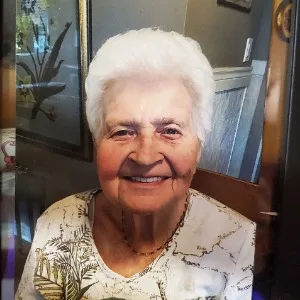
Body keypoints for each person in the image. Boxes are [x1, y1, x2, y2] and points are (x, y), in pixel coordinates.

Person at [15, 28, 256, 300]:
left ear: (199, 146)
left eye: (170, 131)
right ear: (97, 143)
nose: (145, 156)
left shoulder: (237, 243)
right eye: (122, 132)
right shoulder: (57, 223)